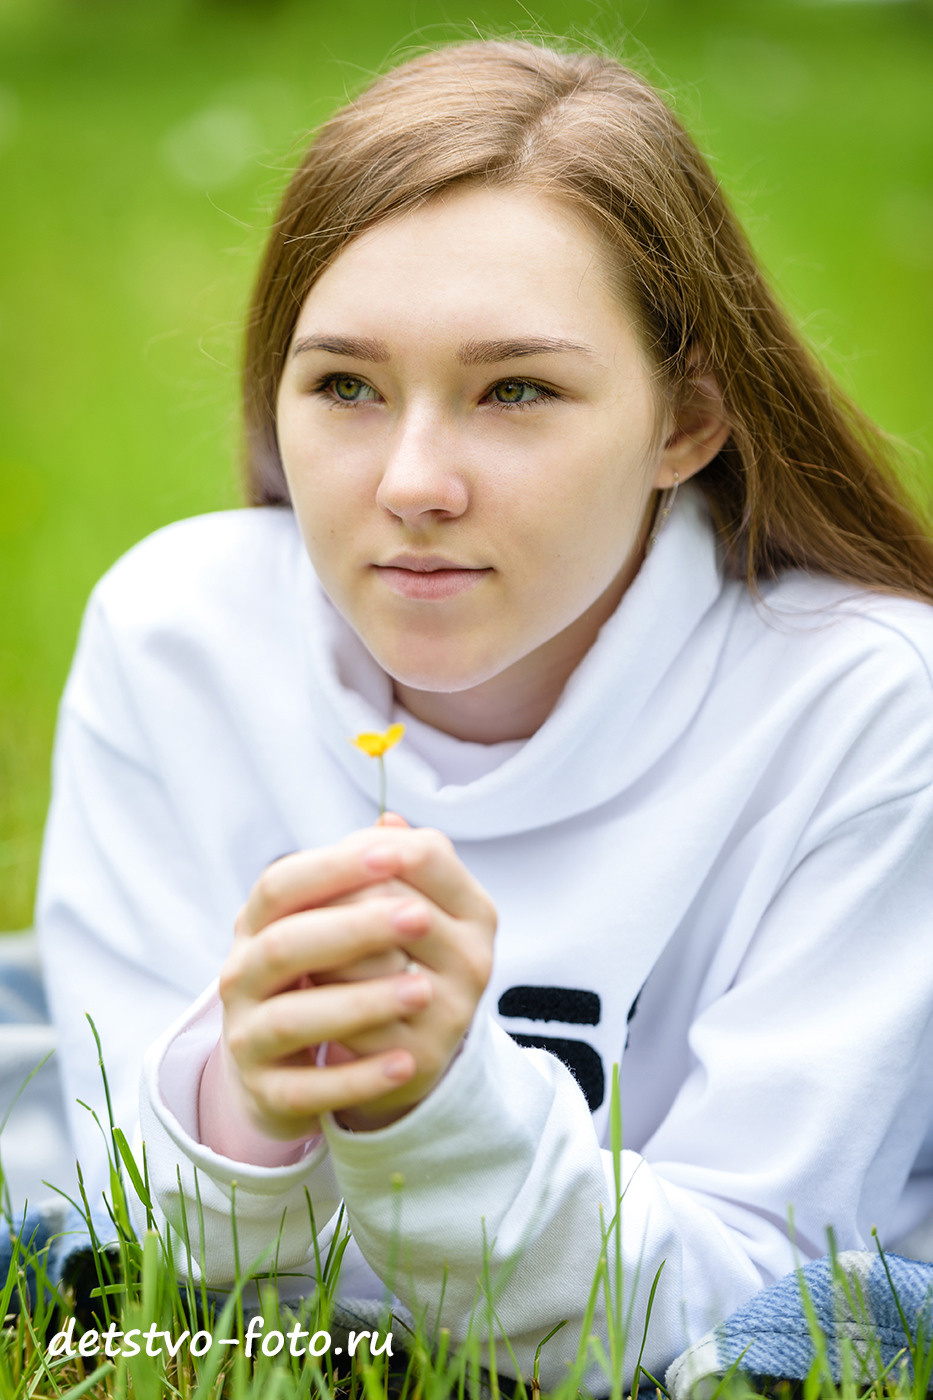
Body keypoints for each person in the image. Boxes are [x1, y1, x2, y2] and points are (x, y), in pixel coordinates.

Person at [35, 37, 933, 1393]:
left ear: (685, 419)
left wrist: (442, 1114)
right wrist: (242, 1106)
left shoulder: (866, 711)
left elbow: (760, 1308)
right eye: (343, 385)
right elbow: (117, 1248)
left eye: (515, 390)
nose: (411, 483)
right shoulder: (178, 638)